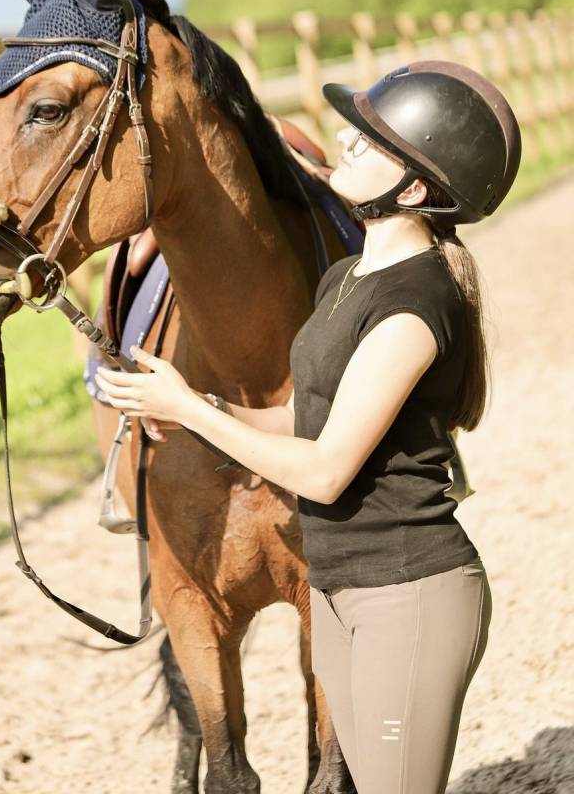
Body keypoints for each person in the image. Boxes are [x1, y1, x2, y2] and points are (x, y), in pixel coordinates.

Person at [94, 60, 521, 794]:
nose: (345, 141)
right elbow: (304, 417)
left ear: (412, 190)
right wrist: (197, 408)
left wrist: (189, 408)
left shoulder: (413, 308)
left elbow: (323, 470)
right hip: (341, 592)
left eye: (372, 140)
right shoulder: (345, 280)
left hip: (405, 594)